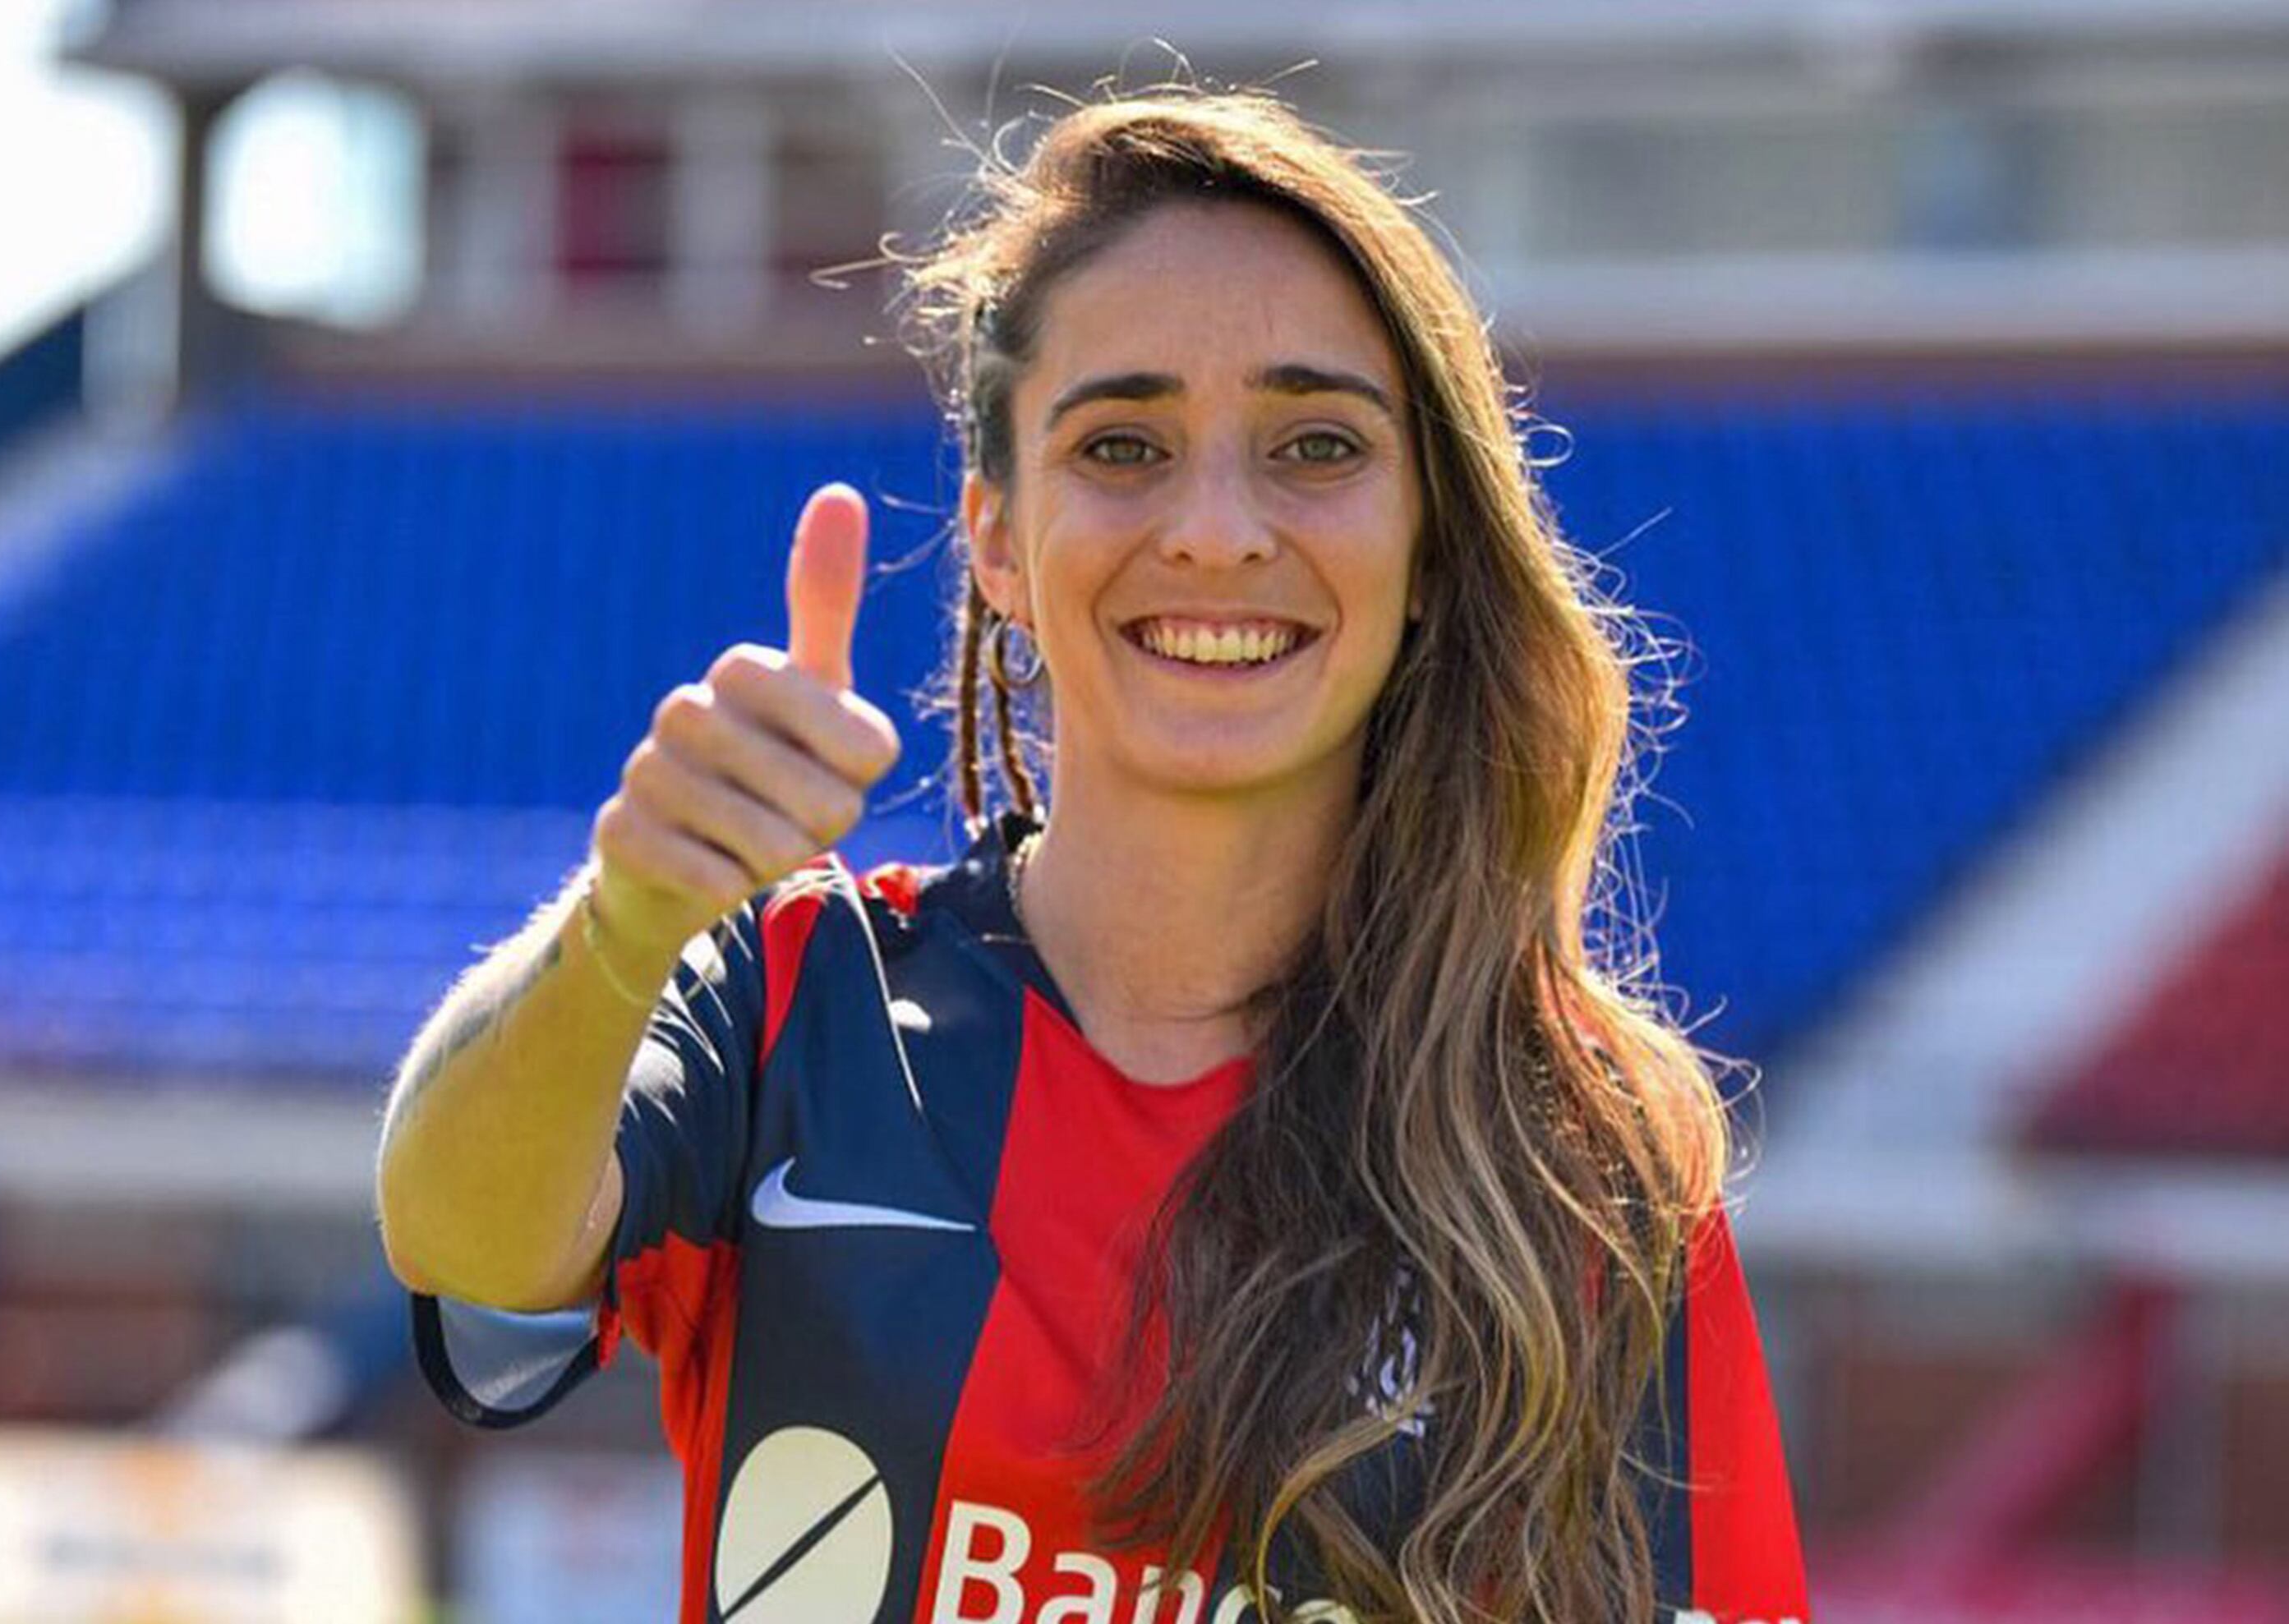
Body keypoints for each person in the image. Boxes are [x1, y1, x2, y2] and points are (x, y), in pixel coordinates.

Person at [375, 86, 1810, 1624]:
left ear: (1427, 545)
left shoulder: (1584, 1154)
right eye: (1122, 443)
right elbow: (457, 1230)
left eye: (1314, 443)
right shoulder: (800, 998)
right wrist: (626, 920)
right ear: (999, 537)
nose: (1213, 529)